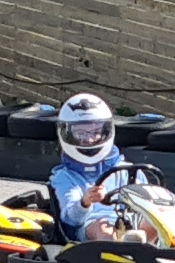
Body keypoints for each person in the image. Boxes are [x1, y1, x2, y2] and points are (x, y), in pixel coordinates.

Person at [47, 93, 126, 231]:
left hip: (130, 224)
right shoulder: (64, 177)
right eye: (80, 134)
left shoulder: (126, 171)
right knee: (103, 227)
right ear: (66, 134)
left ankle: (136, 240)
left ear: (106, 131)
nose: (89, 140)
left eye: (95, 132)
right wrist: (85, 202)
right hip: (90, 227)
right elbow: (71, 220)